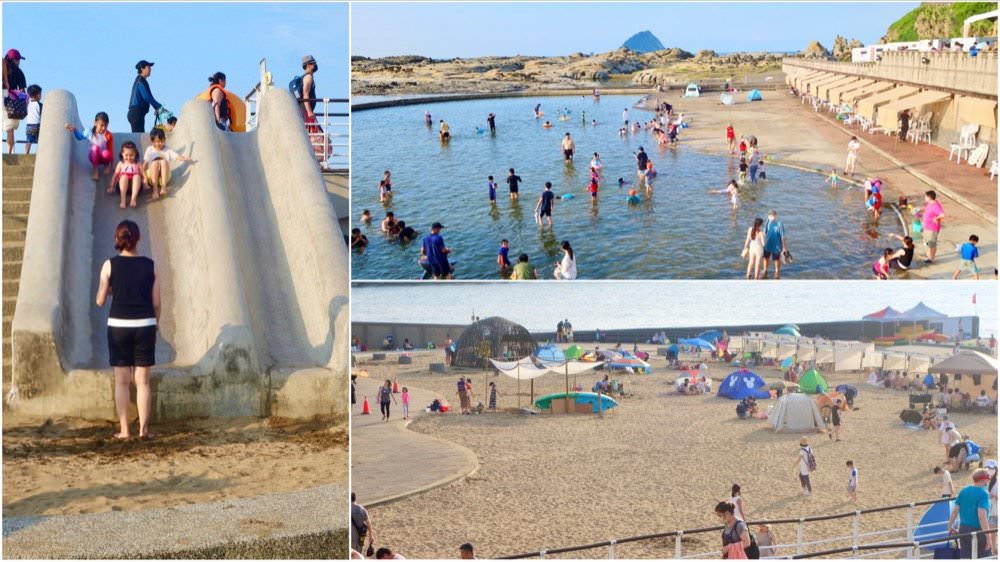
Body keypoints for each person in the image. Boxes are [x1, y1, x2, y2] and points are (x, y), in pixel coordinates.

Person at [95, 220, 160, 439]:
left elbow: (100, 300)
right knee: (143, 382)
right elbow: (157, 302)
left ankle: (124, 430)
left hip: (119, 326)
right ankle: (144, 430)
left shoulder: (109, 265)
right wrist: (156, 323)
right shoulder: (151, 265)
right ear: (138, 239)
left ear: (117, 239)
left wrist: (112, 288)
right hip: (145, 325)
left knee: (122, 381)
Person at [947, 469, 995, 558]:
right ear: (984, 480)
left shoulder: (964, 490)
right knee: (984, 557)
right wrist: (988, 537)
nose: (988, 481)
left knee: (966, 557)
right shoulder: (983, 494)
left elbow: (955, 511)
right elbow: (982, 516)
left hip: (963, 529)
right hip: (978, 530)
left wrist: (950, 527)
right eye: (988, 479)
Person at [143, 128, 192, 198]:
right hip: (152, 177)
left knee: (163, 162)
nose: (158, 144)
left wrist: (184, 158)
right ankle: (155, 190)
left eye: (160, 141)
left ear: (164, 140)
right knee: (155, 163)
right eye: (155, 142)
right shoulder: (150, 149)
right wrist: (143, 176)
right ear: (152, 141)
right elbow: (145, 164)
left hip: (163, 178)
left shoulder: (168, 150)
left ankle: (163, 187)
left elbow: (176, 156)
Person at [65, 112, 114, 181]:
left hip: (103, 157)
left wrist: (112, 165)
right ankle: (95, 169)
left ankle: (106, 165)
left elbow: (110, 150)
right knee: (95, 148)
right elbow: (80, 137)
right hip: (94, 156)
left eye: (105, 126)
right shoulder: (89, 131)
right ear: (95, 123)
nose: (103, 128)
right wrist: (75, 130)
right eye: (101, 125)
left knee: (107, 153)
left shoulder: (108, 135)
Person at [127, 60, 163, 133]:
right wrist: (159, 106)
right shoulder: (141, 80)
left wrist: (157, 107)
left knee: (139, 134)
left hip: (137, 113)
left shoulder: (141, 80)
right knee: (138, 136)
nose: (150, 69)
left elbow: (149, 97)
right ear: (142, 69)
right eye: (148, 67)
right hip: (136, 113)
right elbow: (147, 97)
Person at [3, 49, 27, 154]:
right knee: (10, 128)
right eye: (18, 60)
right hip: (11, 99)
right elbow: (22, 91)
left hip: (2, 94)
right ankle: (9, 153)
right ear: (15, 60)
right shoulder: (18, 72)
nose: (19, 62)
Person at [111, 141, 144, 209]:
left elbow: (143, 174)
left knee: (137, 176)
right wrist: (111, 186)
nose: (129, 157)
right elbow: (115, 175)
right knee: (124, 177)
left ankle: (133, 199)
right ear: (122, 154)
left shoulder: (137, 163)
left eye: (131, 155)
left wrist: (145, 183)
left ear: (135, 154)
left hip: (135, 188)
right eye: (126, 155)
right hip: (121, 188)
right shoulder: (121, 163)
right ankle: (123, 200)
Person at [920, 190, 945, 264]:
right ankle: (929, 254)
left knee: (932, 244)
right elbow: (928, 211)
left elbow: (942, 215)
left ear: (929, 197)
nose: (925, 198)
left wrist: (936, 218)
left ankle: (931, 258)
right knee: (928, 242)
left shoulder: (936, 206)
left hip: (932, 228)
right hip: (927, 226)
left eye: (925, 197)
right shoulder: (930, 203)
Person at [762, 210, 787, 279]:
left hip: (777, 246)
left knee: (776, 260)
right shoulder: (767, 222)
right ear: (768, 216)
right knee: (765, 258)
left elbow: (783, 237)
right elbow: (764, 233)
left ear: (776, 216)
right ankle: (765, 271)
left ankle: (777, 272)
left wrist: (784, 247)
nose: (771, 217)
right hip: (767, 245)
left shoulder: (780, 224)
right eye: (770, 215)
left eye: (773, 215)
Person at [23, 84, 41, 154]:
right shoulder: (39, 104)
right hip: (37, 125)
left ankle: (26, 153)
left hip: (29, 125)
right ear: (38, 95)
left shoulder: (28, 104)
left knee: (28, 140)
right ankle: (40, 153)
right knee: (40, 140)